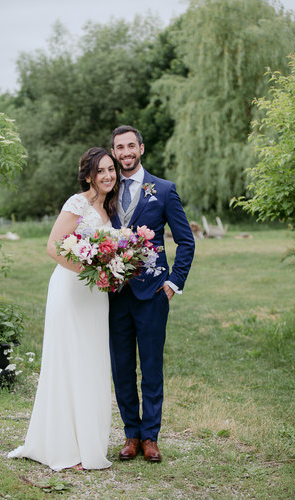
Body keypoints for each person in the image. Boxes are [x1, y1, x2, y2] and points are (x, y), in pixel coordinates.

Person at [8, 147, 120, 471]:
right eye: (100, 171)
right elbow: (53, 245)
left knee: (92, 364)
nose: (107, 176)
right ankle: (66, 447)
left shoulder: (108, 209)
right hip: (71, 290)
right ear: (88, 175)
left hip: (96, 297)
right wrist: (88, 269)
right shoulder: (77, 203)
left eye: (110, 169)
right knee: (70, 363)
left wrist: (110, 270)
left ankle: (89, 444)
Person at [108, 126, 195, 463]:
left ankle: (151, 437)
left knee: (152, 366)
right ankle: (131, 434)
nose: (126, 152)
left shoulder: (164, 189)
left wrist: (173, 284)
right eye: (120, 147)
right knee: (122, 367)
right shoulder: (107, 189)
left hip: (154, 294)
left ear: (141, 148)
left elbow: (185, 240)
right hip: (114, 294)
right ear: (114, 152)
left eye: (131, 145)